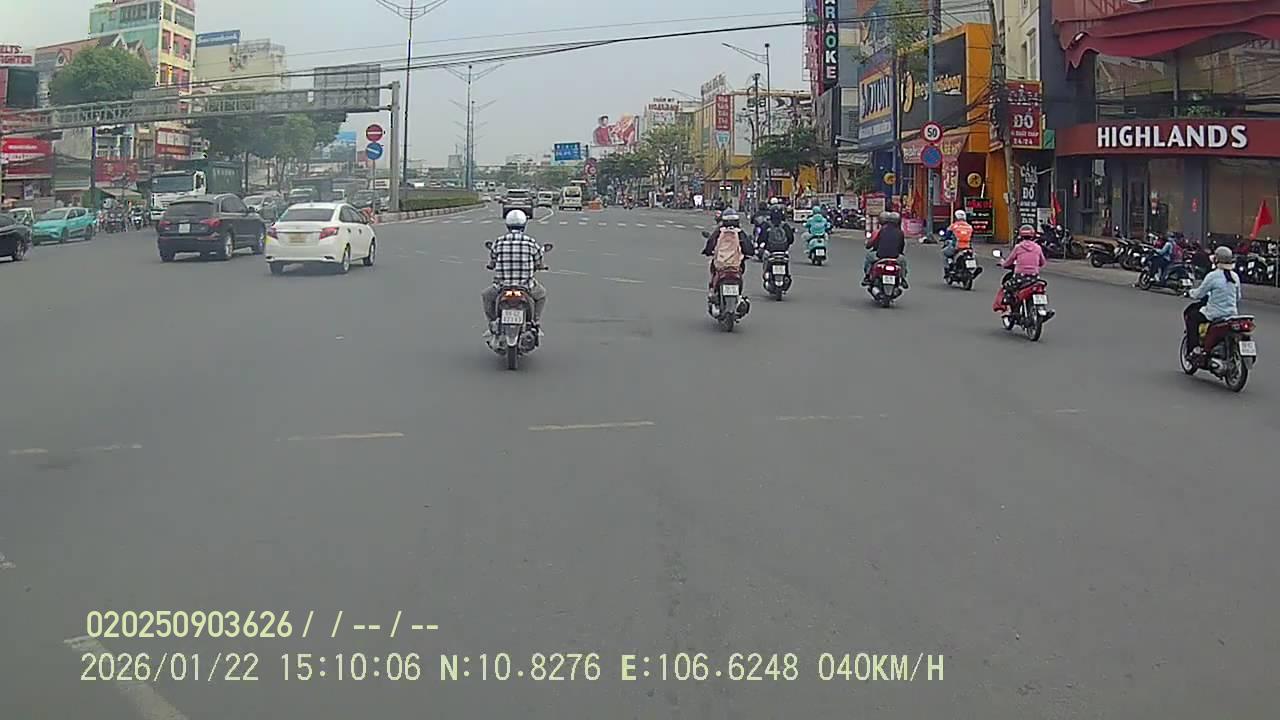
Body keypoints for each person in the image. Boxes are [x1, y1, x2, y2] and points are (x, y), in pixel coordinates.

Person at [483, 210, 547, 334]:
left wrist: (491, 265)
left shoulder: (499, 241)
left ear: (507, 225)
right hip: (526, 286)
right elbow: (539, 261)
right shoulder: (531, 242)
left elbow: (493, 260)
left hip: (502, 286)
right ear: (524, 225)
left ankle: (493, 323)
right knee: (541, 295)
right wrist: (540, 266)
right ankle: (535, 321)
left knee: (486, 296)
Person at [1183, 246, 1242, 363]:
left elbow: (1199, 294)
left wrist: (1189, 292)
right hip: (1231, 314)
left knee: (1191, 317)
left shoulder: (1213, 276)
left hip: (1214, 314)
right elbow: (1238, 297)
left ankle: (1194, 349)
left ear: (1216, 260)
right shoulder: (1235, 277)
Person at [701, 209, 755, 297]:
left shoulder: (719, 231)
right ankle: (738, 296)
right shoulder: (740, 232)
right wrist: (749, 253)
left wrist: (707, 251)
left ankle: (713, 291)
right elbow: (749, 248)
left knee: (714, 271)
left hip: (721, 265)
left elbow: (710, 243)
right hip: (736, 266)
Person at [996, 224, 1047, 309]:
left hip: (1020, 277)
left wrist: (1003, 263)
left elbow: (1009, 261)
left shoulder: (1018, 247)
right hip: (1034, 277)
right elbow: (1042, 262)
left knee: (1007, 287)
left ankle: (1009, 309)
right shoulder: (1038, 247)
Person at [863, 211, 908, 287]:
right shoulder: (900, 232)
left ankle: (867, 277)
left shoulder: (879, 231)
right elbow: (901, 246)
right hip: (895, 256)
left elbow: (873, 244)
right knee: (903, 261)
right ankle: (903, 279)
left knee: (868, 257)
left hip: (880, 255)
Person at [940, 209, 975, 276]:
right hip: (968, 247)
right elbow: (971, 236)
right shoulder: (969, 227)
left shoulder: (953, 226)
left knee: (945, 253)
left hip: (957, 247)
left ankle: (950, 267)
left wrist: (944, 238)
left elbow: (947, 235)